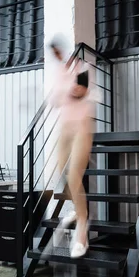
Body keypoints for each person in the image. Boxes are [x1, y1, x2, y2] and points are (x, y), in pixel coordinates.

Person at [47, 38, 97, 258]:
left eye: (60, 52)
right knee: (61, 172)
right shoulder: (59, 73)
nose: (59, 57)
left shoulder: (82, 67)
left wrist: (68, 88)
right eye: (55, 54)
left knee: (75, 176)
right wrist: (65, 88)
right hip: (65, 127)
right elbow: (55, 100)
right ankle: (77, 210)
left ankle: (82, 234)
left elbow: (81, 91)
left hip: (82, 127)